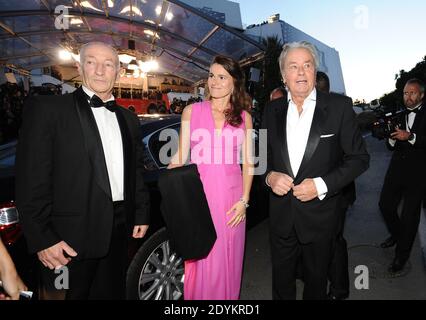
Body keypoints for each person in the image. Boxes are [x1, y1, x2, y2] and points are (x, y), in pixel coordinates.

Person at [15, 42, 150, 300]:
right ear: (79, 67)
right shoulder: (49, 110)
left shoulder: (129, 118)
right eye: (91, 62)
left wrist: (141, 213)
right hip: (66, 240)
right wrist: (42, 239)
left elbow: (135, 171)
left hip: (119, 232)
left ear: (118, 72)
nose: (100, 70)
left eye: (108, 64)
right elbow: (31, 180)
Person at [262, 41, 369, 300]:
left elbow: (359, 159)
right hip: (281, 218)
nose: (301, 72)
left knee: (316, 286)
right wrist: (269, 176)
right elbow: (260, 159)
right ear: (283, 75)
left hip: (321, 220)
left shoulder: (339, 106)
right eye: (294, 66)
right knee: (281, 286)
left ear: (314, 71)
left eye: (307, 65)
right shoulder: (271, 109)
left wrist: (320, 185)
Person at [168, 55, 254, 300]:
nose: (213, 81)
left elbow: (248, 163)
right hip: (199, 197)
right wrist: (172, 183)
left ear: (234, 82)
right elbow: (180, 155)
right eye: (211, 75)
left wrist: (244, 201)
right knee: (201, 256)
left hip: (231, 201)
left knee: (227, 258)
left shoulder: (245, 117)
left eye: (222, 76)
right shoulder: (191, 111)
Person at [379, 78, 426, 274]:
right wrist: (390, 139)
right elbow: (392, 145)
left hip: (419, 173)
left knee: (410, 216)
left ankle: (401, 256)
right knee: (385, 205)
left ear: (421, 95)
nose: (408, 97)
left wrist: (411, 137)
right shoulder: (399, 114)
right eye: (406, 93)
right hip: (396, 170)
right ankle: (398, 234)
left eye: (412, 93)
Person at [316, 70, 355, 299]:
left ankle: (339, 289)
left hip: (337, 191)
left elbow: (351, 158)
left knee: (334, 241)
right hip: (324, 192)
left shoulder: (339, 111)